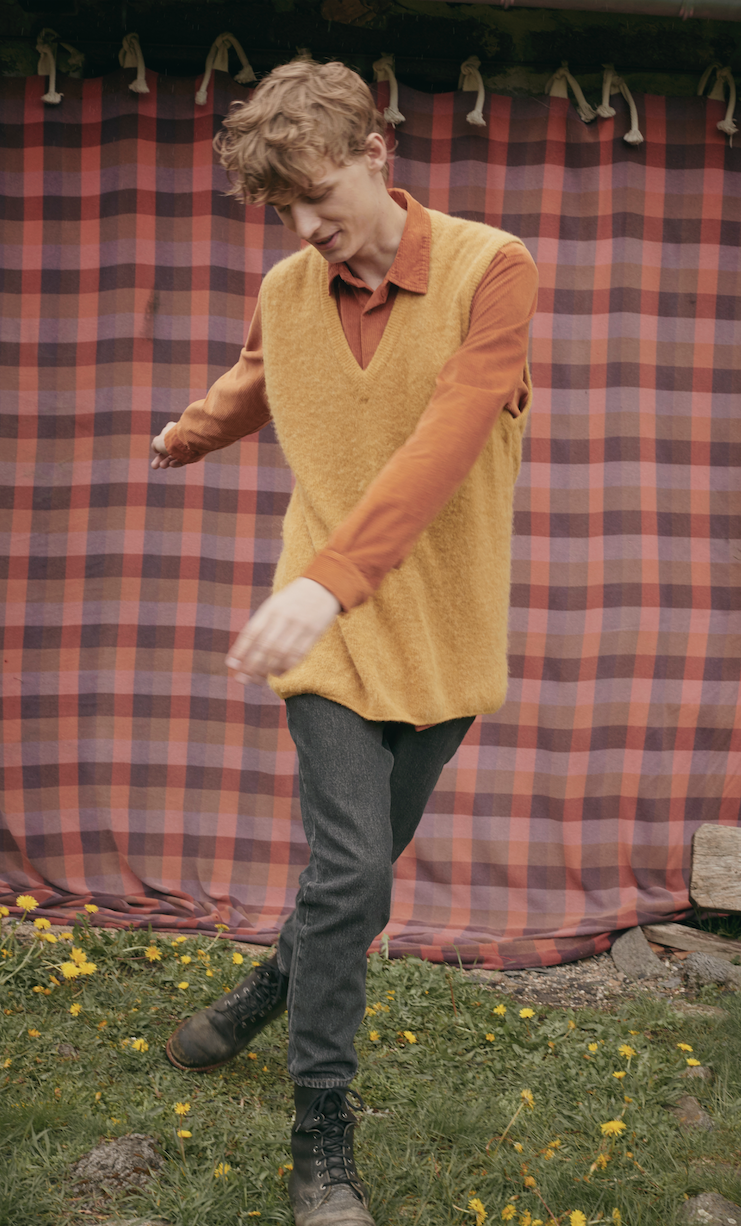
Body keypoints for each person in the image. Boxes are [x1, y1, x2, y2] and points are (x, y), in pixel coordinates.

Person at [150, 56, 537, 1226]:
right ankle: (323, 1141)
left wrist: (333, 581)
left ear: (377, 153)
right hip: (327, 632)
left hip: (443, 621)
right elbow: (265, 377)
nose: (308, 227)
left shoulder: (492, 268)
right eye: (285, 212)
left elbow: (447, 436)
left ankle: (269, 985)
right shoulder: (285, 285)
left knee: (347, 880)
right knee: (355, 870)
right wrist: (185, 435)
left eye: (320, 196)